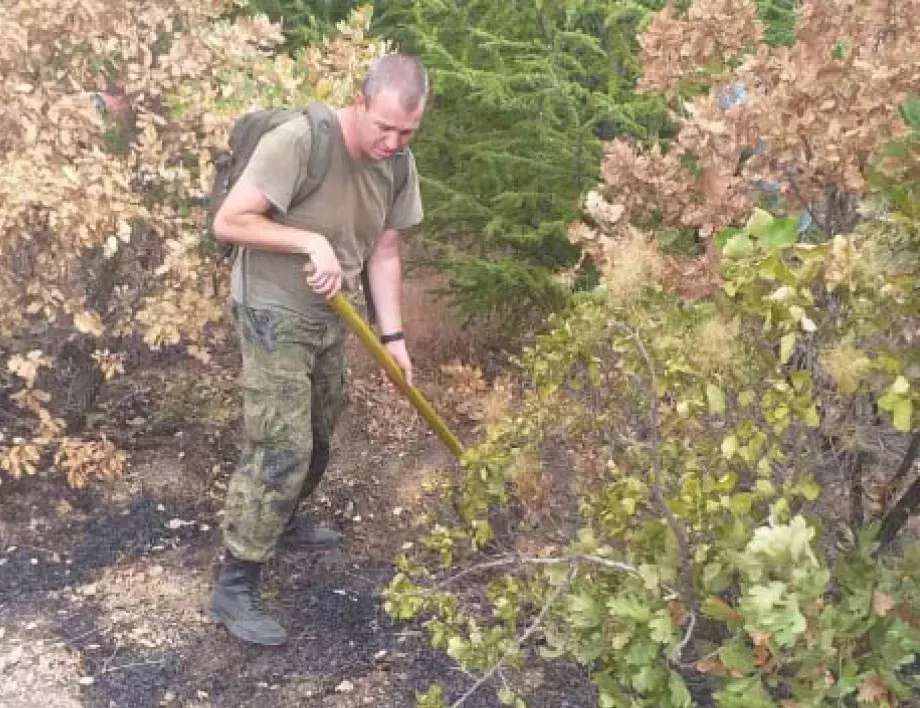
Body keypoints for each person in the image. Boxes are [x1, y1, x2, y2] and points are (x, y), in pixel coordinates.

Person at [207, 54, 429, 646]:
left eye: (407, 131)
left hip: (334, 314)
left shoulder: (398, 163)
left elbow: (384, 253)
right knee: (281, 443)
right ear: (360, 100)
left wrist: (394, 337)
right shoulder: (300, 140)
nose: (393, 140)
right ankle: (234, 584)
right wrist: (309, 240)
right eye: (384, 126)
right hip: (271, 308)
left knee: (323, 428)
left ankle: (280, 519)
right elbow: (230, 221)